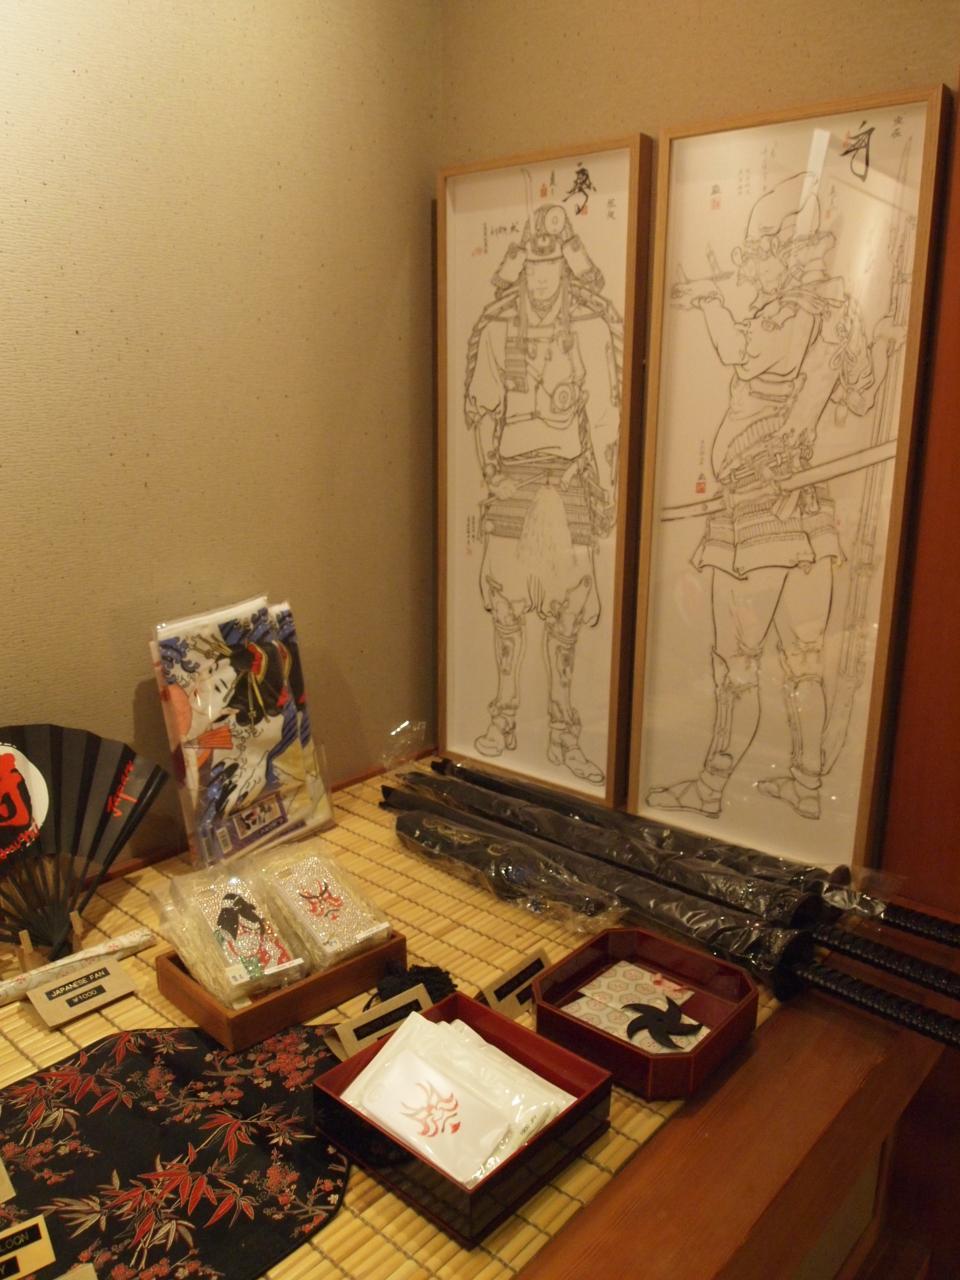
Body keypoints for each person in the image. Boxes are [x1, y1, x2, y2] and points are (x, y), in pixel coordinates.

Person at [647, 172, 902, 821]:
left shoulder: (786, 314)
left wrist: (708, 302)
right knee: (802, 663)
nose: (749, 265)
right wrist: (876, 348)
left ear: (787, 251)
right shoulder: (841, 320)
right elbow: (862, 395)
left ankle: (711, 789)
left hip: (757, 519)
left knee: (736, 665)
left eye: (759, 250)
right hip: (808, 523)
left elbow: (739, 349)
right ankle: (808, 785)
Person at [463, 202, 623, 784]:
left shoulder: (590, 328)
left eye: (552, 263)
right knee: (505, 609)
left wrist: (605, 489)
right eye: (533, 264)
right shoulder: (496, 328)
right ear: (522, 266)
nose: (542, 276)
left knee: (567, 616)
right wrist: (490, 474)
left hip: (568, 481)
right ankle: (504, 719)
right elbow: (482, 412)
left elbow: (603, 419)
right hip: (513, 479)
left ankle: (563, 732)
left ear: (566, 265)